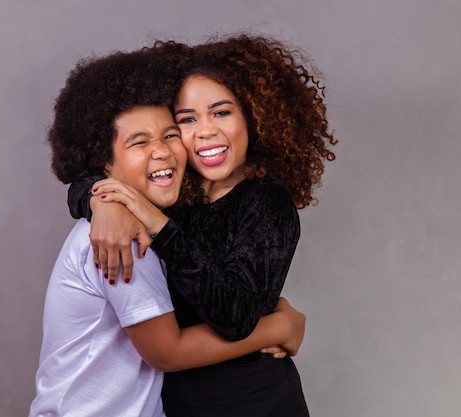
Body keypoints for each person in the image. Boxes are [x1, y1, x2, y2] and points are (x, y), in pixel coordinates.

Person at [68, 34, 337, 417]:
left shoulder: (265, 201)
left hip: (251, 402)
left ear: (254, 117)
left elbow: (236, 317)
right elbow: (85, 178)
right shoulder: (176, 193)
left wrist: (159, 226)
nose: (206, 131)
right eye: (187, 120)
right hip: (178, 403)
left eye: (221, 112)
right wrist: (100, 202)